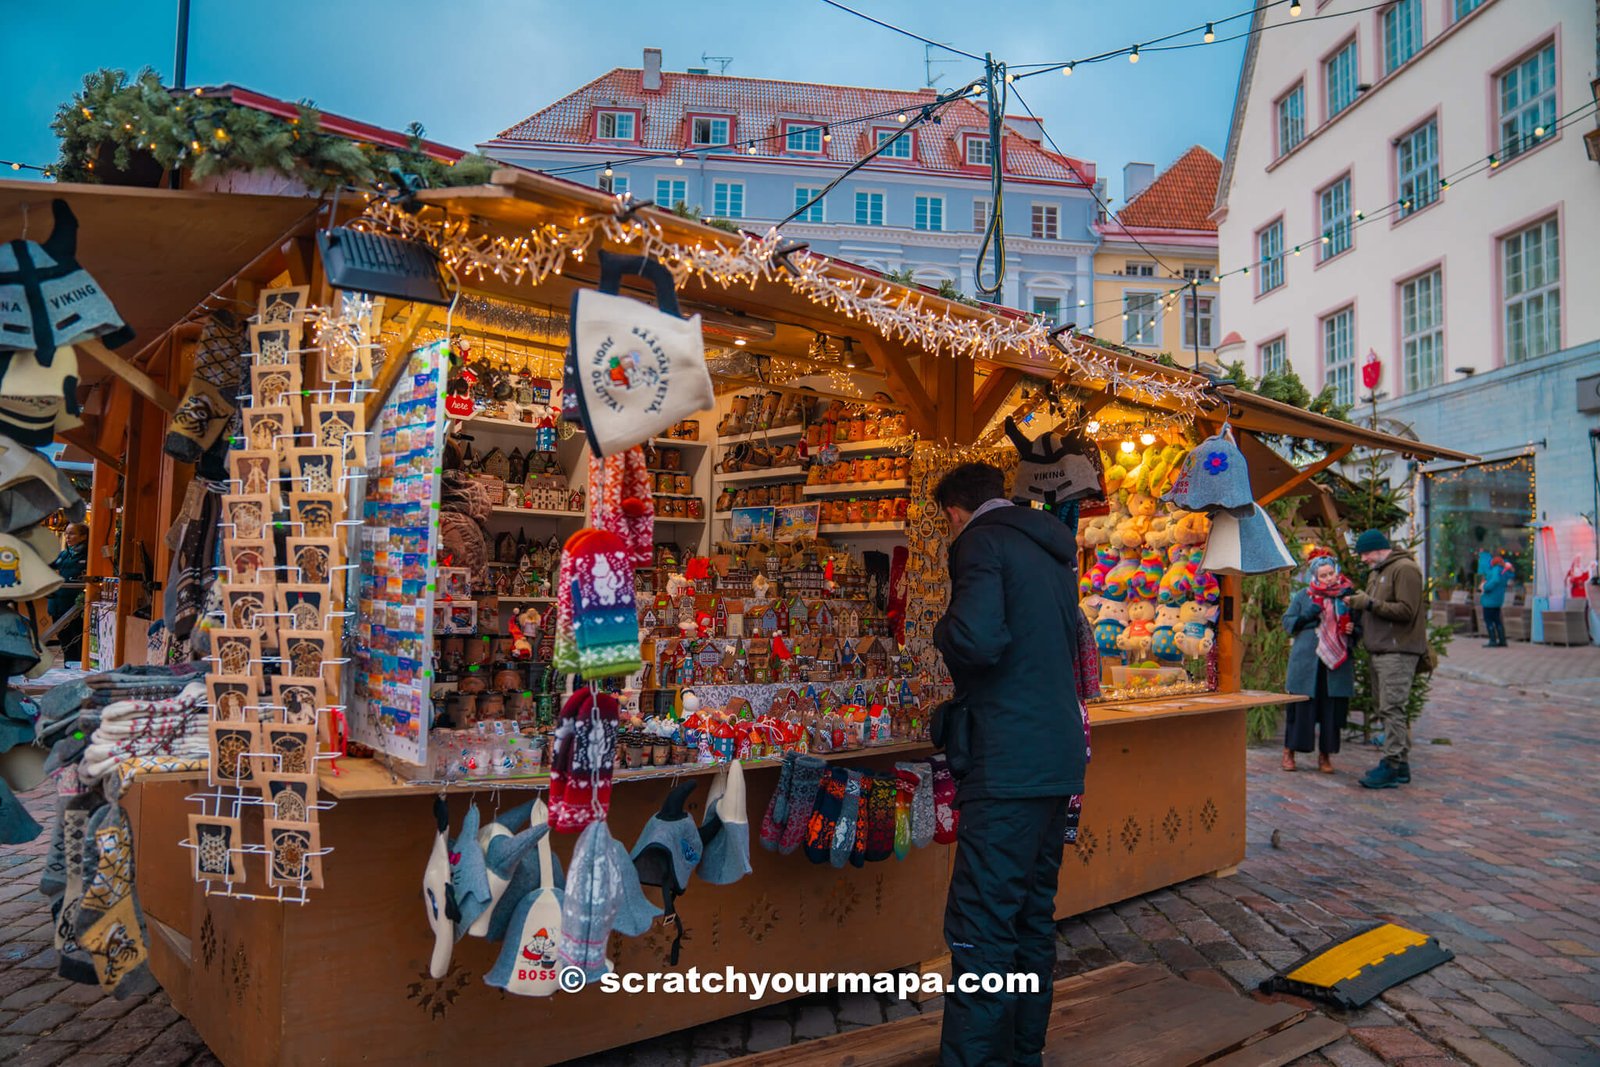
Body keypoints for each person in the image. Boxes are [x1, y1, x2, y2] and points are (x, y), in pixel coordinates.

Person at [931, 462, 1085, 1067]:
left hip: (1008, 760)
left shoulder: (978, 542)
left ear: (954, 512)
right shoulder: (1051, 549)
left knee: (981, 926)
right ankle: (1023, 1055)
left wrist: (942, 629)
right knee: (1029, 920)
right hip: (1056, 754)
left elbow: (975, 639)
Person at [1347, 529, 1426, 789]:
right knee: (1386, 707)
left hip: (1398, 650)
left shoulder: (1405, 569)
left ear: (1377, 549)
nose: (1364, 560)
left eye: (1365, 554)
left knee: (1393, 708)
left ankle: (1391, 765)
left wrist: (1368, 604)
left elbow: (1407, 610)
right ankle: (1401, 766)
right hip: (1380, 649)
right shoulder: (1377, 572)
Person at [1281, 553, 1355, 773]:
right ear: (1315, 576)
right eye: (1323, 575)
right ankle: (1289, 752)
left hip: (1335, 664)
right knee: (1301, 708)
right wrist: (1306, 617)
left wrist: (1354, 630)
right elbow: (1288, 622)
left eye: (1331, 573)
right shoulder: (1305, 595)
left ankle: (1325, 756)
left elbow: (1359, 624)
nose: (1329, 578)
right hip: (1307, 661)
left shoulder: (1347, 596)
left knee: (1330, 712)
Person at [47, 522, 89, 661]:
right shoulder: (64, 554)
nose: (67, 536)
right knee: (65, 644)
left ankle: (77, 672)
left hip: (75, 608)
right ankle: (68, 669)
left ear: (83, 536)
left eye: (72, 533)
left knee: (77, 643)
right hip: (57, 607)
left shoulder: (90, 556)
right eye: (66, 533)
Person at [1479, 555, 1512, 647]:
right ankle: (1502, 640)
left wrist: (1485, 587)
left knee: (1488, 619)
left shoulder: (1495, 570)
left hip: (1490, 600)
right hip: (1498, 600)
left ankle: (1492, 640)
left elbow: (1495, 581)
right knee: (1497, 620)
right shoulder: (1504, 571)